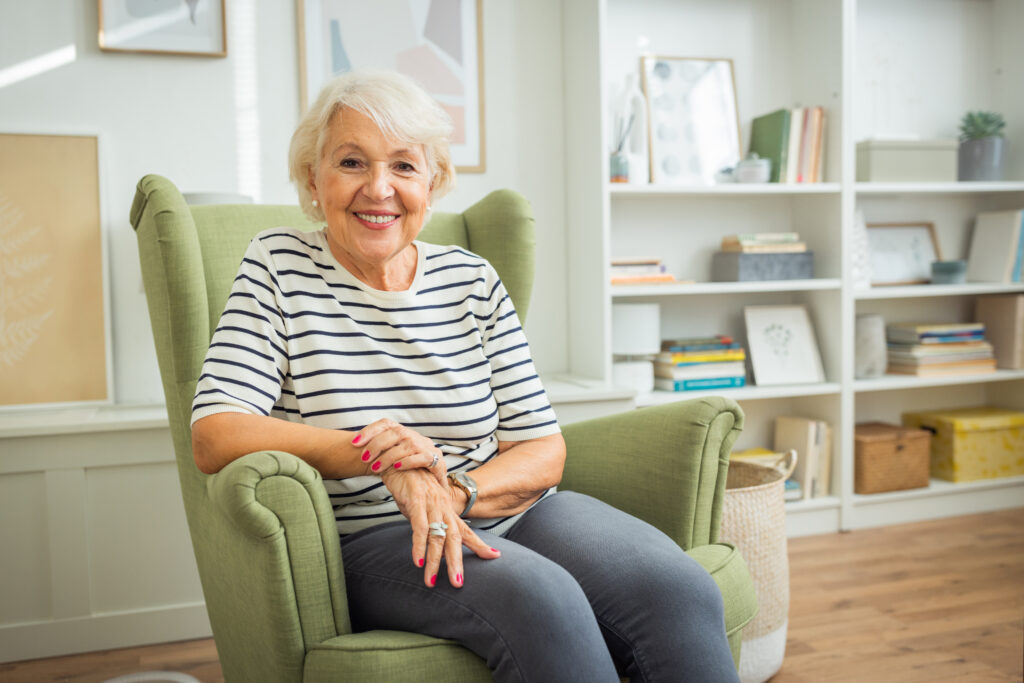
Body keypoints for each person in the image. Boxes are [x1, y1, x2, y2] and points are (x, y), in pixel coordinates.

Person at [190, 69, 739, 682]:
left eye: (403, 166)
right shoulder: (278, 265)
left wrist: (454, 493)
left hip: (508, 507)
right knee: (542, 599)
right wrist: (380, 456)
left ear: (433, 182)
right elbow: (217, 432)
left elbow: (542, 448)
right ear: (313, 180)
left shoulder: (471, 279)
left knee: (675, 587)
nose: (379, 189)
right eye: (351, 162)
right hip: (375, 535)